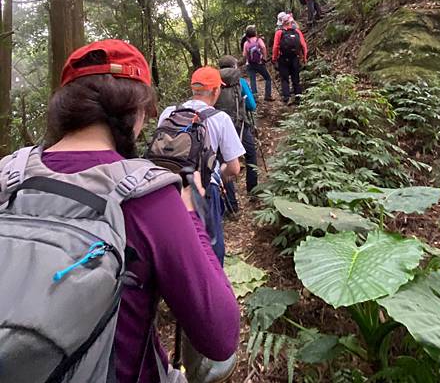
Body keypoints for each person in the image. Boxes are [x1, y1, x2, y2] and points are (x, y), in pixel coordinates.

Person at [0, 40, 240, 383]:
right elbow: (220, 336)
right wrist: (188, 214)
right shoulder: (148, 196)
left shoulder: (8, 175)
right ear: (136, 109)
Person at [157, 65, 245, 265]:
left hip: (169, 188)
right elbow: (234, 168)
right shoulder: (219, 118)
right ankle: (212, 288)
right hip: (204, 189)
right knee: (211, 248)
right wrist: (218, 176)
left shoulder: (169, 112)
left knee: (178, 245)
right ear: (215, 91)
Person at [216, 55, 258, 204]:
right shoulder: (240, 82)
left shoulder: (214, 84)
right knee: (251, 156)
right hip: (240, 126)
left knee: (224, 162)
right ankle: (253, 193)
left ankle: (232, 205)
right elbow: (252, 106)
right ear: (234, 66)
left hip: (220, 128)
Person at [272, 14, 308, 104]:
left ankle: (286, 97)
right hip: (295, 58)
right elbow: (303, 45)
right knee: (296, 78)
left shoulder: (279, 32)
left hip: (283, 58)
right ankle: (298, 97)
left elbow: (276, 47)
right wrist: (304, 58)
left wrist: (274, 58)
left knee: (284, 78)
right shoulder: (297, 31)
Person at [242, 25, 274, 102]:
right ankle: (268, 96)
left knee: (252, 80)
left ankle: (255, 97)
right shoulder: (258, 40)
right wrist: (264, 58)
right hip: (259, 63)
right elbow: (263, 47)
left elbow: (244, 54)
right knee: (268, 78)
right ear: (255, 32)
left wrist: (247, 60)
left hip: (250, 64)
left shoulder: (246, 43)